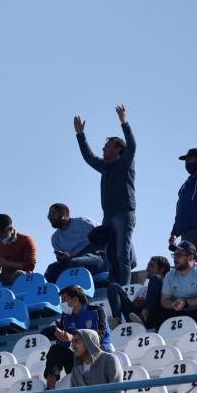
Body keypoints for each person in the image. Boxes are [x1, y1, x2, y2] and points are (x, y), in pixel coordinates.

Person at [74, 104, 137, 284]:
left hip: (124, 213)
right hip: (108, 216)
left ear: (117, 149)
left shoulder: (125, 163)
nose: (103, 148)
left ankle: (124, 289)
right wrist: (80, 135)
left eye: (107, 146)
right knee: (110, 256)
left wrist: (124, 122)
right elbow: (89, 157)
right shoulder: (105, 167)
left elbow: (132, 145)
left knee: (121, 254)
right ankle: (114, 287)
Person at [48, 329, 125, 393]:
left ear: (89, 341)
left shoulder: (109, 359)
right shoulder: (76, 369)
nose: (73, 345)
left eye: (77, 341)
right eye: (72, 342)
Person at [43, 286, 111, 390]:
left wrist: (73, 338)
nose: (62, 304)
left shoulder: (96, 311)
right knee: (55, 350)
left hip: (98, 355)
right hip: (77, 358)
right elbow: (64, 344)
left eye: (64, 300)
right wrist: (61, 338)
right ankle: (50, 389)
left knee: (98, 348)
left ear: (75, 300)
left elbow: (98, 338)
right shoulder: (66, 317)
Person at [152, 241, 197, 329]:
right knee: (159, 312)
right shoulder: (169, 276)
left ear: (190, 257)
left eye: (179, 255)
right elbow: (165, 300)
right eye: (174, 255)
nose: (175, 258)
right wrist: (173, 304)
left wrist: (186, 303)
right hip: (183, 311)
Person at [43, 203, 107, 283]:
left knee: (74, 264)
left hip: (98, 256)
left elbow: (104, 235)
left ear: (64, 213)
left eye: (52, 213)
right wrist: (63, 258)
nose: (49, 217)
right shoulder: (55, 238)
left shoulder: (82, 222)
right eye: (49, 215)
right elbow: (61, 259)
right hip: (72, 260)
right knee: (51, 270)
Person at [107, 256, 171, 325]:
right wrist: (135, 303)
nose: (147, 269)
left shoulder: (168, 285)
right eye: (148, 266)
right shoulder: (142, 289)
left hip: (154, 317)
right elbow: (133, 309)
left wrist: (145, 304)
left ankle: (144, 316)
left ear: (162, 269)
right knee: (114, 286)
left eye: (151, 266)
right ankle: (117, 320)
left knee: (155, 277)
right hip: (136, 318)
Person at [0, 214, 37, 286]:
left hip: (22, 275)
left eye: (2, 231)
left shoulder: (26, 240)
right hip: (3, 276)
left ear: (10, 229)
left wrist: (7, 264)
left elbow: (30, 266)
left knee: (18, 275)